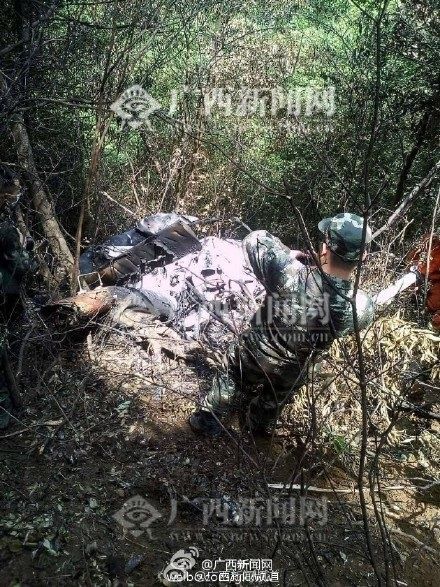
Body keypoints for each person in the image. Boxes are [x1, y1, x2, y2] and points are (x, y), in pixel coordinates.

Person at [189, 212, 375, 437]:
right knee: (276, 398)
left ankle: (209, 419)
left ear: (325, 248)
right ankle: (257, 429)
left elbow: (254, 239)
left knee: (233, 374)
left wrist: (288, 255)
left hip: (256, 355)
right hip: (294, 370)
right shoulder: (361, 306)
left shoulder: (289, 271)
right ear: (363, 257)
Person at [0, 166, 33, 429]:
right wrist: (27, 251)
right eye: (9, 193)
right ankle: (5, 411)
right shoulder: (6, 228)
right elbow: (21, 266)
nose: (12, 198)